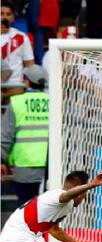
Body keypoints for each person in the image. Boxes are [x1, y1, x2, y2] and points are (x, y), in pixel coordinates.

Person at [1, 65, 49, 206]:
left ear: (27, 81)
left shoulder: (16, 103)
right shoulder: (54, 101)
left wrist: (1, 160)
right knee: (48, 209)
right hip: (50, 163)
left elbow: (5, 136)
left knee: (25, 208)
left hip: (24, 164)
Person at [1, 1, 35, 102]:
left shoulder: (22, 37)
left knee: (16, 117)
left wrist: (28, 86)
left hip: (15, 86)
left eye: (8, 14)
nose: (4, 17)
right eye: (1, 14)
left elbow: (30, 64)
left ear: (13, 18)